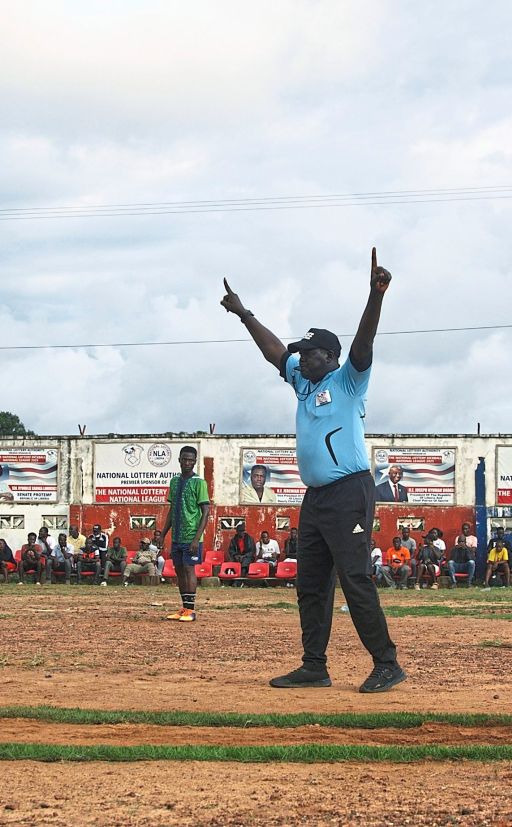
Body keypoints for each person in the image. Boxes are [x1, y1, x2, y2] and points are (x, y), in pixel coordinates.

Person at [221, 248, 405, 693]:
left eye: (308, 353)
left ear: (330, 356)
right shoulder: (302, 381)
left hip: (349, 492)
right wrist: (244, 313)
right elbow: (273, 351)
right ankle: (314, 666)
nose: (299, 358)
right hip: (318, 498)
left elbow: (363, 343)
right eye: (300, 353)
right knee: (311, 583)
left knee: (355, 578)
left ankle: (386, 663)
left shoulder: (348, 381)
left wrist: (375, 295)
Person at [159, 445, 212, 621]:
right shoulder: (174, 482)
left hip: (192, 536)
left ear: (195, 461)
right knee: (180, 571)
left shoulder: (199, 483)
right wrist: (163, 533)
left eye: (191, 460)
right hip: (177, 536)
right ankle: (183, 608)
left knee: (189, 570)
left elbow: (205, 511)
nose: (187, 462)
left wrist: (197, 538)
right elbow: (172, 509)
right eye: (184, 459)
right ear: (179, 460)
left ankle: (191, 610)